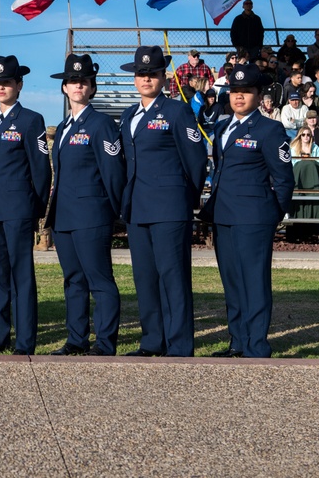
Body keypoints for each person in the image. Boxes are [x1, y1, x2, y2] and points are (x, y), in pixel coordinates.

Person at [200, 64, 294, 358]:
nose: (238, 97)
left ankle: (256, 345)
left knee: (254, 281)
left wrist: (272, 213)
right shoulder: (223, 126)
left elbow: (284, 178)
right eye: (234, 91)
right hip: (224, 215)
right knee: (232, 282)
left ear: (258, 94)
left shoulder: (270, 128)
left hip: (255, 217)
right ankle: (237, 341)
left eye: (246, 92)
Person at [119, 46, 207, 358]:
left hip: (169, 207)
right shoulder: (129, 115)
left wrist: (186, 198)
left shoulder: (176, 110)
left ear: (163, 77)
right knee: (145, 278)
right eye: (141, 74)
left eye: (152, 74)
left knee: (173, 276)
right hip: (137, 208)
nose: (146, 79)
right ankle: (152, 340)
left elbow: (196, 160)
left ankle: (179, 344)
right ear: (134, 79)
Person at [40, 54, 125, 357]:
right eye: (73, 81)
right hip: (64, 218)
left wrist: (110, 211)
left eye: (84, 81)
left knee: (99, 280)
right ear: (64, 87)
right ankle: (77, 339)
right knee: (73, 280)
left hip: (92, 216)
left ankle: (104, 342)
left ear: (92, 87)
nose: (78, 85)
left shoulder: (101, 124)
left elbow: (114, 174)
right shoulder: (62, 128)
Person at [0, 55, 51, 355]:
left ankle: (25, 340)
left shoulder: (31, 120)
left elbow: (41, 170)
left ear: (19, 84)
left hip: (18, 209)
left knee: (21, 275)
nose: (1, 87)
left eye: (7, 82)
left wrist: (36, 210)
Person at [287, 126, 319, 242]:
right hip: (298, 176)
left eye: (308, 135)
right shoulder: (293, 147)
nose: (306, 137)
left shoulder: (316, 148)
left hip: (313, 176)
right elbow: (292, 164)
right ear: (299, 136)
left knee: (310, 165)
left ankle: (314, 230)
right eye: (303, 135)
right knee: (302, 165)